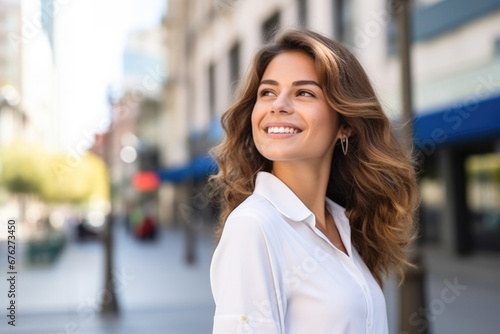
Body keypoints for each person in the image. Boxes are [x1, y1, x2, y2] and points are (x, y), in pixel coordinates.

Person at [208, 28, 419, 334]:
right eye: (267, 92)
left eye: (303, 92)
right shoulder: (254, 226)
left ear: (345, 125)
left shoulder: (344, 223)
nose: (277, 105)